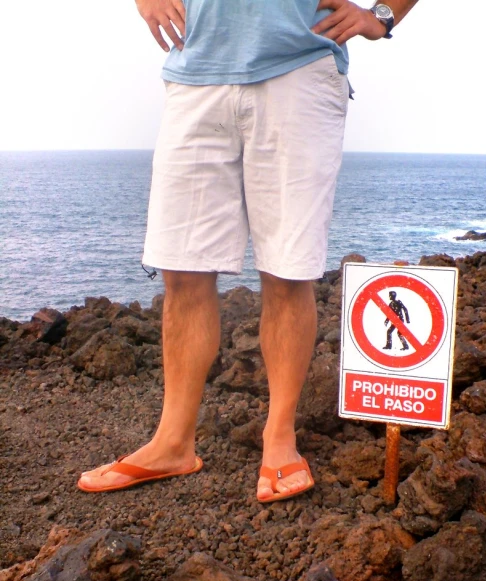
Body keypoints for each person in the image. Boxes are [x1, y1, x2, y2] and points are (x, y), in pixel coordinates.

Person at [78, 0, 419, 502]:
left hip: (299, 73)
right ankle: (172, 442)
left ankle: (280, 437)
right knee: (183, 269)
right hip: (196, 72)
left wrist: (383, 16)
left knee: (287, 271)